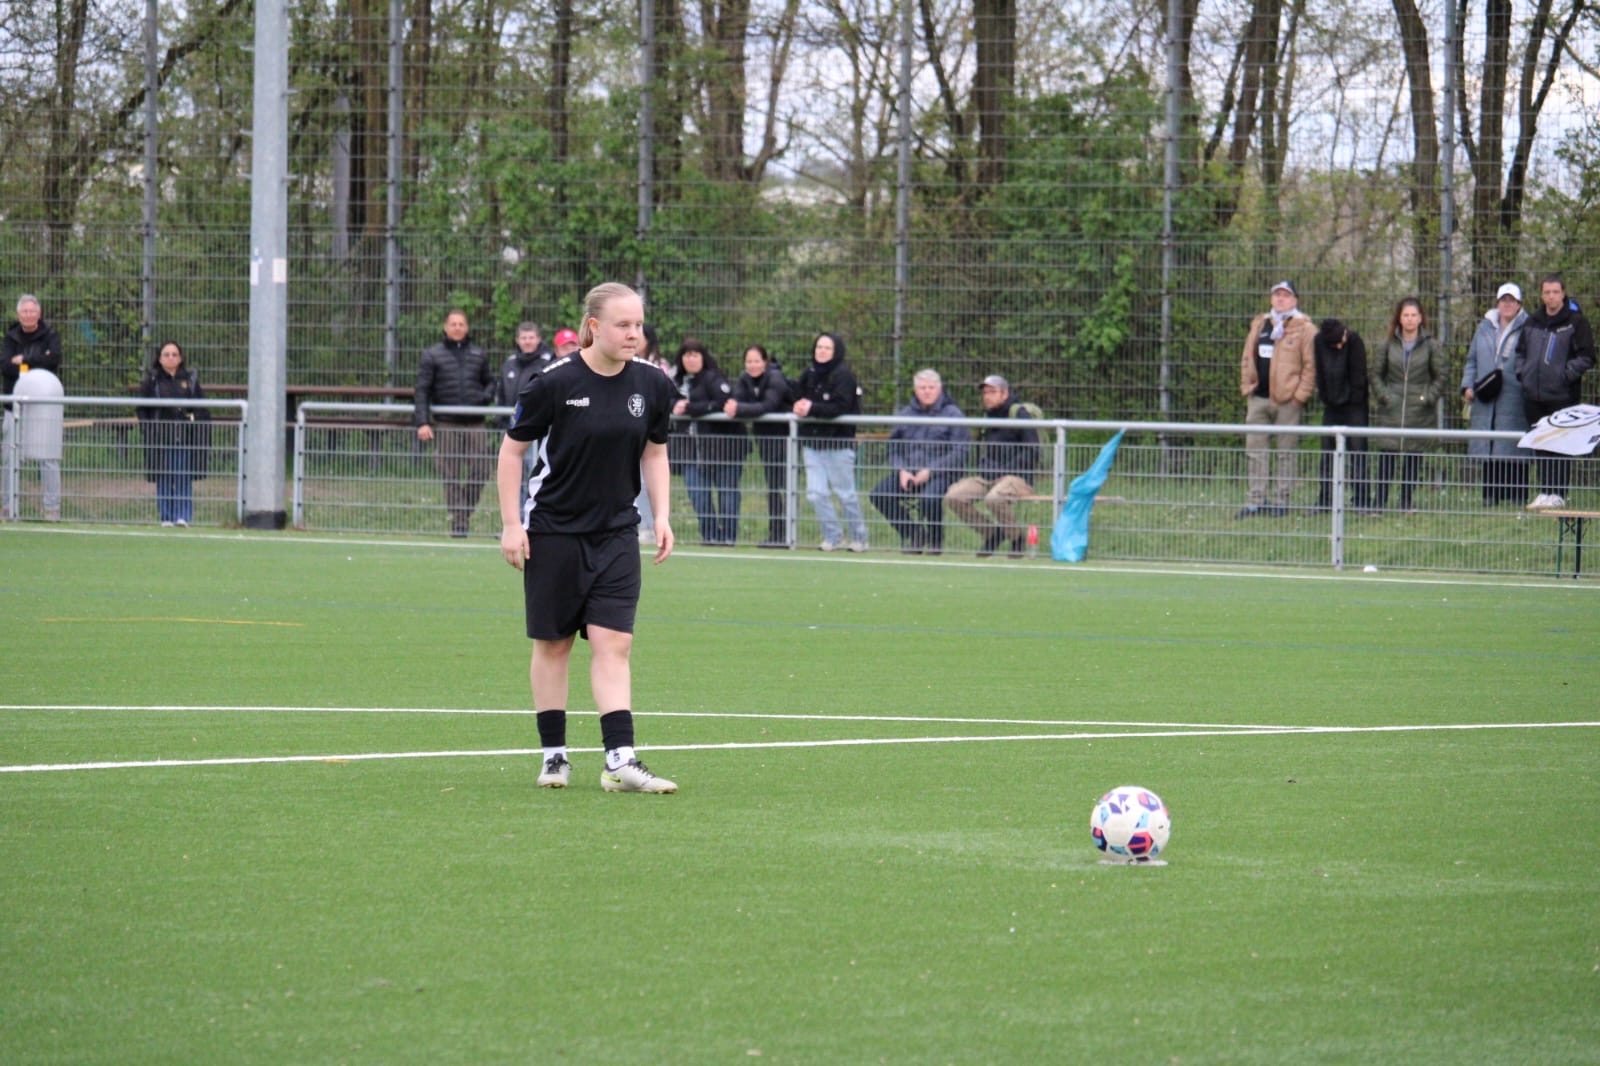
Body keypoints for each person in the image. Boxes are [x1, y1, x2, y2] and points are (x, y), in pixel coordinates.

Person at [497, 281, 678, 794]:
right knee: (554, 645)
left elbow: (655, 452)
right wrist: (511, 524)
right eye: (623, 324)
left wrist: (663, 516)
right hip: (553, 531)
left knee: (614, 643)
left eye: (638, 324)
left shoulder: (653, 384)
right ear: (594, 327)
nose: (634, 333)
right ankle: (554, 755)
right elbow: (512, 452)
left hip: (617, 532)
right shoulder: (552, 382)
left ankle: (620, 760)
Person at [1515, 274, 1595, 510]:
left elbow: (1587, 357)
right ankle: (1544, 490)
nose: (1551, 297)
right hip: (1533, 395)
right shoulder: (1532, 322)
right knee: (1540, 442)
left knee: (1560, 444)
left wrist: (1565, 375)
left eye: (1555, 292)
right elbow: (1520, 353)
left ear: (1563, 294)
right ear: (1542, 295)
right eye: (1547, 292)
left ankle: (1558, 492)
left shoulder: (1575, 322)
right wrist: (1524, 374)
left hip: (1562, 396)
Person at [413, 308, 495, 537]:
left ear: (467, 328)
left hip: (475, 423)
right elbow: (422, 390)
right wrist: (422, 422)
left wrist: (484, 397)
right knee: (449, 473)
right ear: (445, 327)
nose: (457, 327)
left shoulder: (478, 354)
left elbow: (491, 382)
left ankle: (463, 513)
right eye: (453, 324)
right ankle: (459, 524)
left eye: (461, 324)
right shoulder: (432, 355)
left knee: (481, 470)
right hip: (447, 423)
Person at [868, 368, 968, 554]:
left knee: (929, 498)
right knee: (879, 494)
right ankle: (914, 534)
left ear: (939, 388)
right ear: (915, 390)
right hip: (909, 472)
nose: (927, 391)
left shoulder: (953, 414)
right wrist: (901, 470)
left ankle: (935, 542)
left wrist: (931, 470)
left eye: (931, 387)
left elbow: (960, 451)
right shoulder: (905, 414)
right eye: (922, 388)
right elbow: (893, 447)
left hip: (942, 474)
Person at [1237, 280, 1315, 518]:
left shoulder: (1305, 329)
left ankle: (1282, 501)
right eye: (1277, 294)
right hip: (1258, 398)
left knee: (1285, 452)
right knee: (1255, 451)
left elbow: (1311, 366)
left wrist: (1299, 397)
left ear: (1295, 300)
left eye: (1286, 295)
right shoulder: (1260, 324)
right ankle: (1255, 501)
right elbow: (1247, 357)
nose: (1280, 299)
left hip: (1287, 402)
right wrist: (1247, 385)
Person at [945, 374, 1042, 556]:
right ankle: (992, 534)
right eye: (985, 393)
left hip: (1017, 477)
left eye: (992, 392)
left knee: (994, 499)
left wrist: (1007, 470)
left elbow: (1033, 450)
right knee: (954, 497)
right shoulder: (987, 417)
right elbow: (982, 450)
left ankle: (1016, 539)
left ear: (1004, 394)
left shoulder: (1019, 414)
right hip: (989, 476)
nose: (987, 396)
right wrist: (984, 466)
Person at [792, 332, 868, 551]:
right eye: (819, 347)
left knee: (846, 494)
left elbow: (841, 406)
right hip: (812, 445)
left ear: (836, 352)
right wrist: (798, 405)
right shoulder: (809, 374)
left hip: (838, 444)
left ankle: (859, 537)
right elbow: (798, 397)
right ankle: (833, 536)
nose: (822, 351)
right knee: (815, 494)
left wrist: (812, 408)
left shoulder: (844, 376)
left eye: (827, 348)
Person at [1370, 297, 1447, 512]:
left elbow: (1441, 376)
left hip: (1418, 410)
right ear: (1399, 318)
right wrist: (1385, 396)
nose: (1410, 319)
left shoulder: (1431, 345)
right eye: (1406, 315)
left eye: (1414, 315)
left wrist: (1427, 398)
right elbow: (1375, 375)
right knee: (1387, 456)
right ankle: (1379, 503)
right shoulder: (1387, 345)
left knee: (1413, 457)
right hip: (1391, 409)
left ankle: (1406, 501)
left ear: (1421, 318)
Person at [1461, 283, 1531, 506]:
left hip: (1515, 395)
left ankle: (1517, 496)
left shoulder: (1528, 327)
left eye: (1512, 301)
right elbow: (1472, 360)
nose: (1507, 305)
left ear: (1519, 304)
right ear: (1497, 303)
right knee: (1490, 444)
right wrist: (1468, 386)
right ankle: (1490, 495)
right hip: (1486, 394)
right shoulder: (1484, 327)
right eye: (1503, 300)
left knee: (1515, 445)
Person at [672, 337, 745, 545]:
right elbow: (664, 401)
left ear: (703, 357)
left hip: (723, 450)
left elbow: (723, 402)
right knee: (698, 495)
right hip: (690, 451)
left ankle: (728, 538)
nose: (691, 359)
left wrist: (691, 408)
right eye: (687, 355)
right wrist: (674, 406)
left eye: (695, 355)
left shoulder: (714, 378)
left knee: (727, 493)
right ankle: (710, 535)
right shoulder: (676, 381)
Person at [1, 295, 65, 521]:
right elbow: (6, 366)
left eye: (32, 311)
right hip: (14, 406)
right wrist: (38, 359)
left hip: (45, 409)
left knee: (48, 459)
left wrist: (24, 360)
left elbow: (53, 360)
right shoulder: (10, 337)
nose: (28, 315)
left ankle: (52, 509)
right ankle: (7, 506)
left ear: (39, 314)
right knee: (9, 457)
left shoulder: (51, 335)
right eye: (24, 312)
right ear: (19, 315)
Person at [137, 341, 211, 527]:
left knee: (183, 476)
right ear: (160, 358)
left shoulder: (190, 379)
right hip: (160, 437)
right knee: (163, 476)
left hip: (184, 437)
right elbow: (142, 408)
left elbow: (201, 407)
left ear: (180, 358)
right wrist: (148, 429)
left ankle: (183, 516)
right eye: (166, 354)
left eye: (174, 354)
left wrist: (196, 425)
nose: (171, 358)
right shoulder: (152, 380)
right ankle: (166, 517)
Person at [725, 344, 793, 547]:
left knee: (784, 487)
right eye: (748, 361)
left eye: (756, 361)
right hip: (765, 440)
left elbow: (768, 406)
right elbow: (736, 399)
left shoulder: (775, 378)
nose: (752, 365)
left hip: (786, 439)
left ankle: (787, 534)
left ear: (765, 362)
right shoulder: (745, 379)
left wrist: (739, 408)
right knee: (773, 488)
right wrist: (734, 405)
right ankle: (776, 534)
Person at [494, 322, 557, 514]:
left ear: (538, 339)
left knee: (535, 475)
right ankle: (517, 517)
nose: (527, 342)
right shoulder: (509, 363)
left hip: (539, 432)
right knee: (515, 476)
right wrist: (501, 421)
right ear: (517, 340)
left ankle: (534, 515)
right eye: (523, 338)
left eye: (531, 338)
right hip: (515, 430)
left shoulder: (549, 362)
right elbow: (501, 394)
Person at [1312, 319, 1371, 512]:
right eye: (1334, 344)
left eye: (1341, 342)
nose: (1339, 346)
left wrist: (1353, 399)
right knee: (1327, 453)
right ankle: (1326, 499)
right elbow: (1320, 372)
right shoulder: (1319, 342)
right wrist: (1327, 397)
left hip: (1355, 406)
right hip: (1331, 404)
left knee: (1358, 451)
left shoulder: (1354, 341)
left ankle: (1361, 500)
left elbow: (1359, 376)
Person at [632, 322, 673, 543]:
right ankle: (641, 523)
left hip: (648, 432)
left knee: (648, 478)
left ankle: (651, 525)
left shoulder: (657, 368)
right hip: (630, 433)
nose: (633, 336)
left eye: (639, 331)